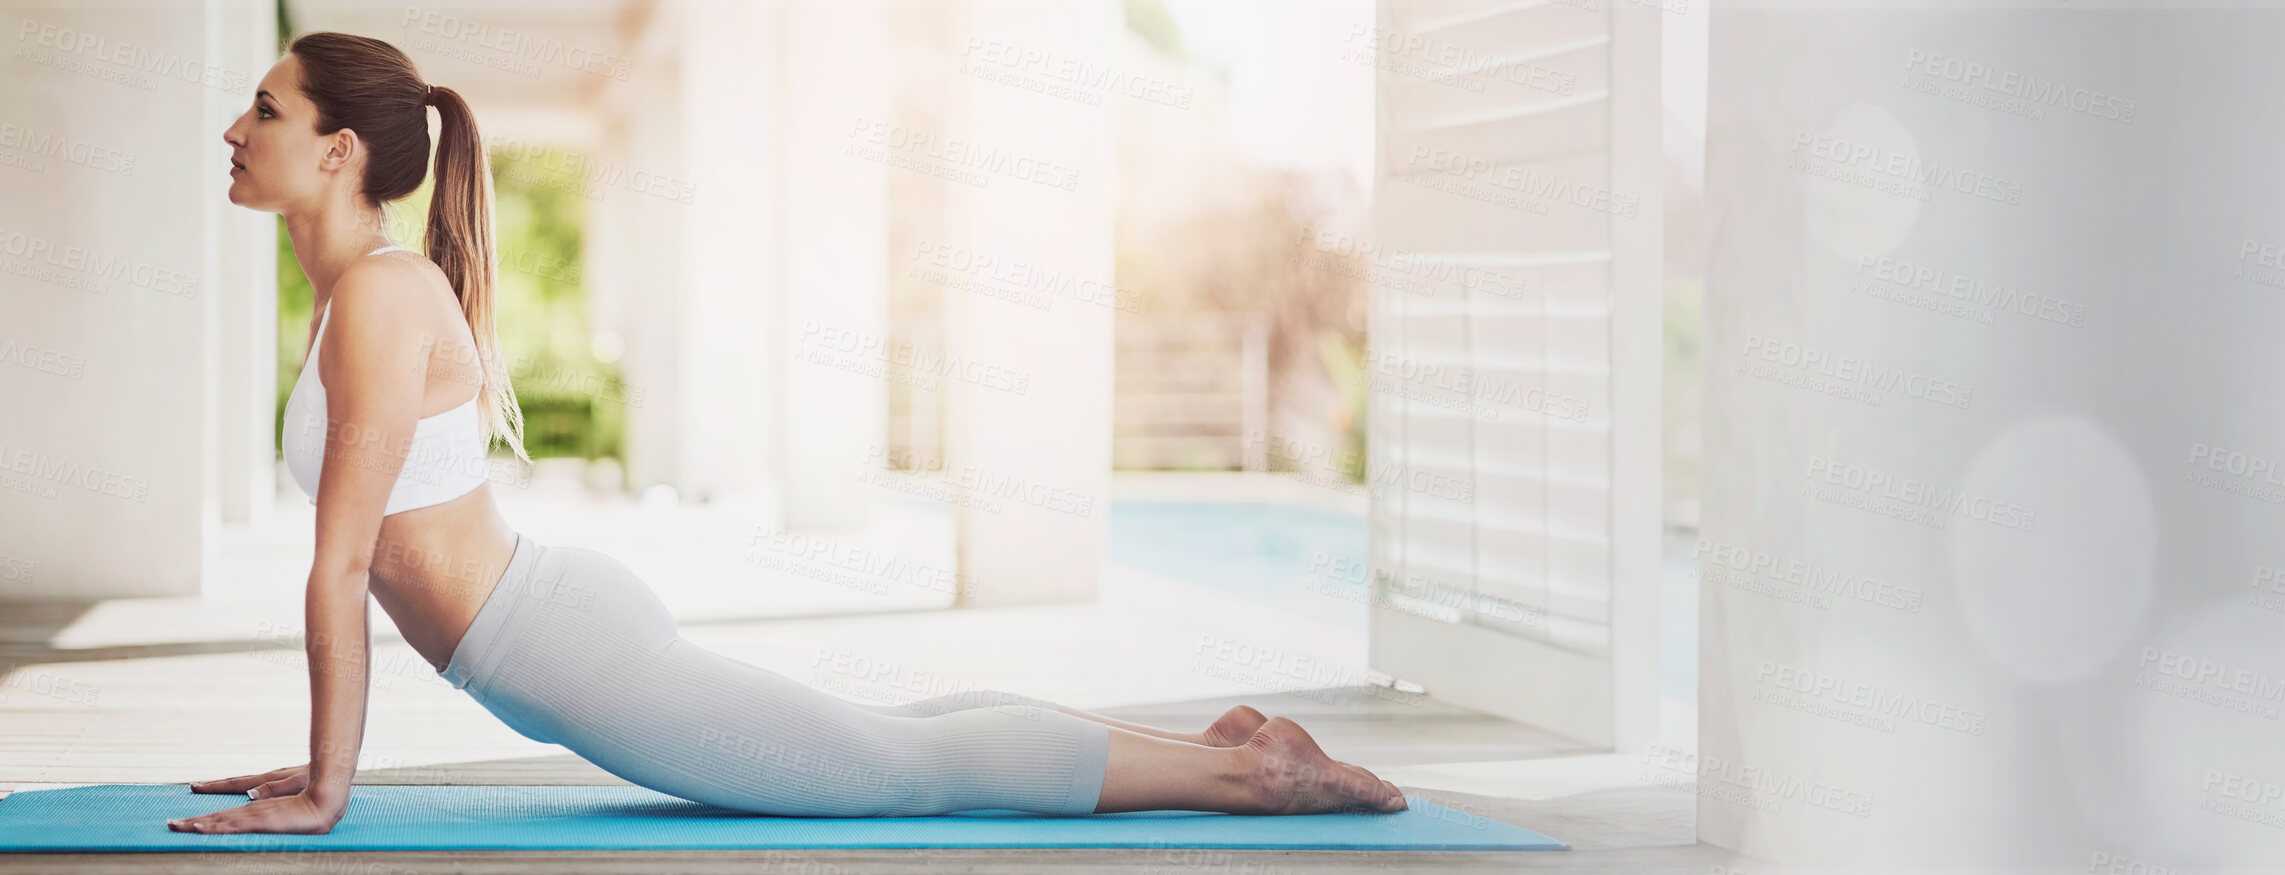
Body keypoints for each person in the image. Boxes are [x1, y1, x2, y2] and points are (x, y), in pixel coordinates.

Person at [178, 32, 1405, 835]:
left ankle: (1251, 778)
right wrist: (312, 764)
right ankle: (1218, 744)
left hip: (562, 650)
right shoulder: (361, 295)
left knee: (899, 776)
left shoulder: (383, 296)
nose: (237, 128)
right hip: (547, 636)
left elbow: (345, 563)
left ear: (338, 150)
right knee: (895, 742)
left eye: (264, 107)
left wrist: (324, 787)